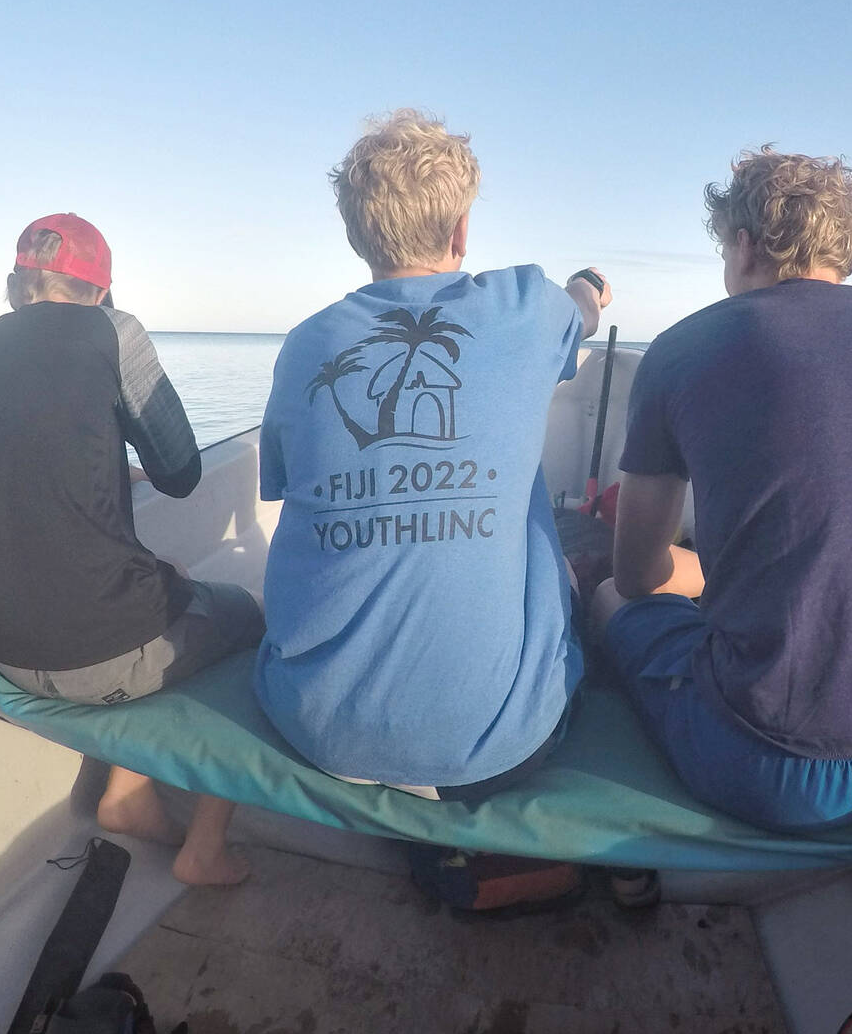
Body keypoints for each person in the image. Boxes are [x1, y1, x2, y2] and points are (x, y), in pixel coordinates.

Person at [591, 148, 852, 833]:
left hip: (775, 773)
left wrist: (704, 573)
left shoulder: (682, 349)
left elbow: (639, 576)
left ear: (743, 244)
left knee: (611, 597)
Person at [255, 110, 610, 800]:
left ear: (358, 233)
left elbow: (290, 486)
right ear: (461, 231)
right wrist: (590, 283)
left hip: (315, 729)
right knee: (575, 580)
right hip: (493, 750)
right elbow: (583, 311)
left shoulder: (305, 344)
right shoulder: (525, 309)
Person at [0, 213, 262, 886]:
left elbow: (24, 461)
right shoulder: (115, 333)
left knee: (161, 584)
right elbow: (181, 474)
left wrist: (111, 462)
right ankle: (203, 848)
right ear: (102, 292)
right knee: (248, 623)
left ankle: (129, 796)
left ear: (16, 285)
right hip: (92, 655)